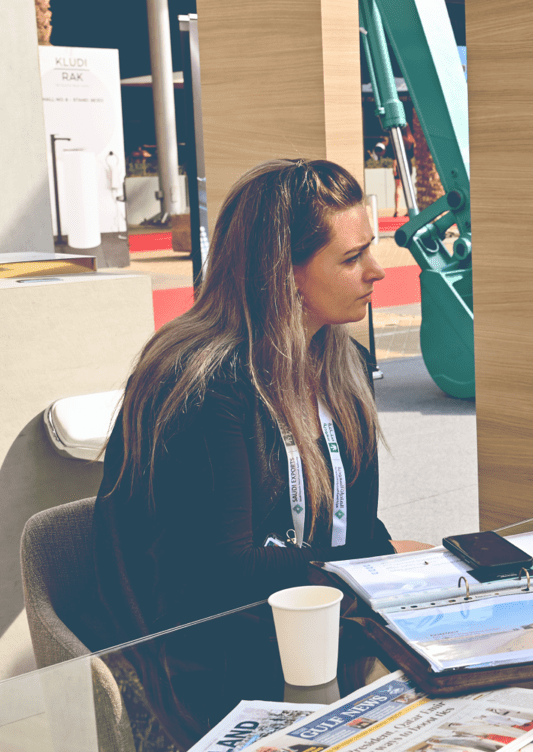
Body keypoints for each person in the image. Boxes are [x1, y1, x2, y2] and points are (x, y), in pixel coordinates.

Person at [92, 158, 426, 646]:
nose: (376, 272)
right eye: (351, 258)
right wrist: (376, 559)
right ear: (284, 274)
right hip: (200, 654)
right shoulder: (203, 384)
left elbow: (352, 527)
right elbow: (225, 574)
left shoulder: (346, 364)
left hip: (314, 625)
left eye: (369, 249)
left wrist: (386, 561)